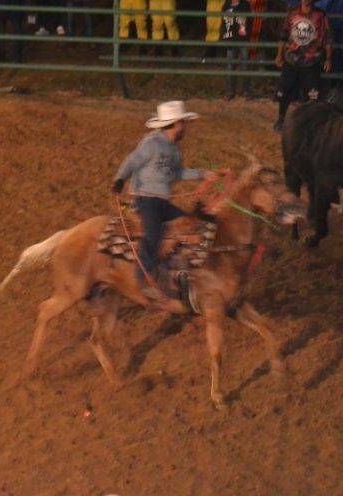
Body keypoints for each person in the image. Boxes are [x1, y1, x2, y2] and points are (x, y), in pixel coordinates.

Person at [112, 101, 206, 303]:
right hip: (146, 200)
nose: (185, 127)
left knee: (189, 225)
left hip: (162, 202)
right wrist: (120, 178)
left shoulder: (175, 149)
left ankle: (173, 269)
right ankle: (143, 279)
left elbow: (178, 172)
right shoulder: (152, 143)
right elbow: (132, 161)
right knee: (152, 235)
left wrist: (203, 174)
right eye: (183, 123)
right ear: (177, 124)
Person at [273, 0, 333, 132]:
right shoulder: (292, 13)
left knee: (312, 94)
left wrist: (328, 59)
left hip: (311, 60)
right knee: (285, 90)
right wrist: (279, 55)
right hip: (292, 58)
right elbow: (284, 34)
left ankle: (309, 122)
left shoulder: (320, 15)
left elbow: (328, 38)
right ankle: (281, 118)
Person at [220, 0, 252, 99]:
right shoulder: (226, 5)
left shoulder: (245, 4)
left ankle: (246, 90)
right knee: (231, 66)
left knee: (245, 65)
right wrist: (224, 36)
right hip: (231, 39)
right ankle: (231, 90)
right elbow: (223, 22)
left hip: (243, 39)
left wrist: (247, 34)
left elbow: (249, 21)